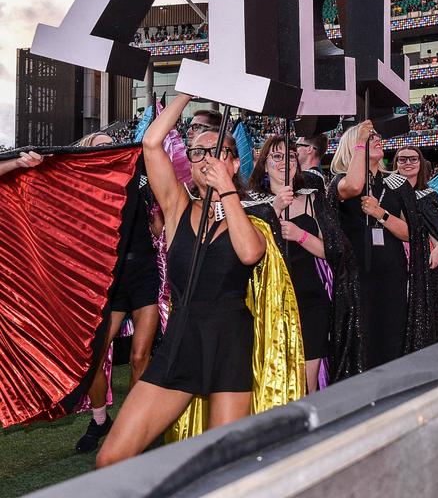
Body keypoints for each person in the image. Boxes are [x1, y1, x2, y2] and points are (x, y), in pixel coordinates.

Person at [97, 95, 302, 467]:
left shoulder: (253, 218)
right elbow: (151, 144)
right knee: (110, 459)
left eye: (216, 151)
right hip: (180, 342)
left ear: (235, 161)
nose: (205, 158)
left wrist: (226, 190)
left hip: (230, 346)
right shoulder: (177, 208)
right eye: (196, 153)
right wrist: (188, 91)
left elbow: (249, 253)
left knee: (225, 469)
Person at [74, 131, 164, 453]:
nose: (108, 149)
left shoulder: (137, 176)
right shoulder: (84, 190)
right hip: (109, 280)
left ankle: (133, 427)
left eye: (110, 144)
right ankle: (100, 421)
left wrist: (158, 218)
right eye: (99, 146)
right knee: (95, 359)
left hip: (144, 273)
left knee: (141, 356)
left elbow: (157, 216)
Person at [328, 121, 431, 377]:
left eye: (377, 137)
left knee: (391, 334)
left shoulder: (396, 184)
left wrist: (380, 213)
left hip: (392, 274)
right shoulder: (341, 181)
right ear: (354, 145)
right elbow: (352, 187)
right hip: (356, 276)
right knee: (363, 339)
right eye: (369, 137)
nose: (377, 139)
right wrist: (361, 141)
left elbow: (411, 233)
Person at [249, 136, 333, 393]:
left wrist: (300, 235)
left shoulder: (312, 199)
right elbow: (248, 251)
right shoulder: (248, 203)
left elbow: (329, 251)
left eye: (291, 156)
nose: (285, 162)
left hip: (311, 300)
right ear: (264, 164)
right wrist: (274, 209)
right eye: (277, 156)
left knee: (308, 383)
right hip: (270, 304)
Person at [393, 146, 438, 345]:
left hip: (424, 263)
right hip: (396, 260)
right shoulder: (388, 194)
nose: (407, 163)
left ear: (420, 163)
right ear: (395, 164)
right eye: (402, 159)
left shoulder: (429, 195)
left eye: (413, 159)